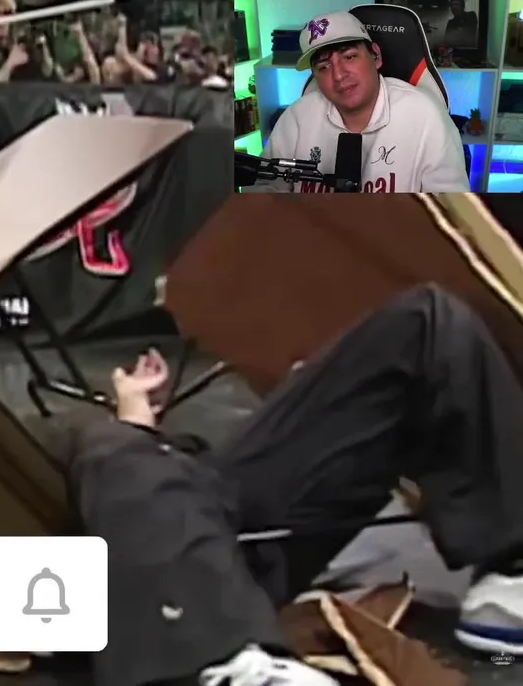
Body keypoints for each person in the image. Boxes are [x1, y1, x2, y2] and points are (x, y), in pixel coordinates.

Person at [44, 284, 523, 686]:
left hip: (195, 500)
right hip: (152, 569)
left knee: (424, 322)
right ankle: (216, 659)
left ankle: (515, 570)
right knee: (95, 438)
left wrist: (138, 428)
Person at [254, 10, 469, 193]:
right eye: (323, 67)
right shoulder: (297, 117)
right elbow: (264, 188)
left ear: (376, 56)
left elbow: (450, 209)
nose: (339, 75)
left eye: (349, 57)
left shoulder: (426, 116)